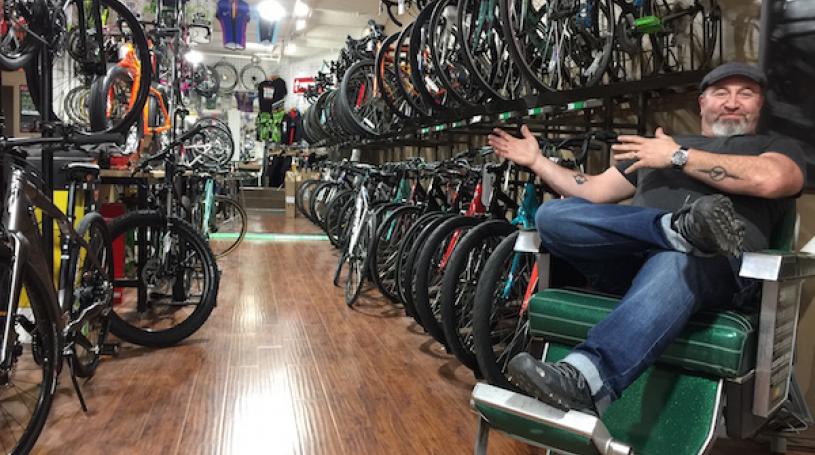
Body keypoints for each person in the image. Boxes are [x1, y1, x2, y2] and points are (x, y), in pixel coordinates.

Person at [486, 62, 807, 415]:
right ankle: (675, 229)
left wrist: (676, 157)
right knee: (552, 215)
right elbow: (592, 190)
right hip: (631, 262)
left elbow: (774, 179)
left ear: (759, 104)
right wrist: (537, 162)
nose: (732, 102)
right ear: (702, 103)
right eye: (720, 93)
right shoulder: (656, 147)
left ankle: (586, 381)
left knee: (678, 260)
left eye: (745, 94)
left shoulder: (773, 146)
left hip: (714, 270)